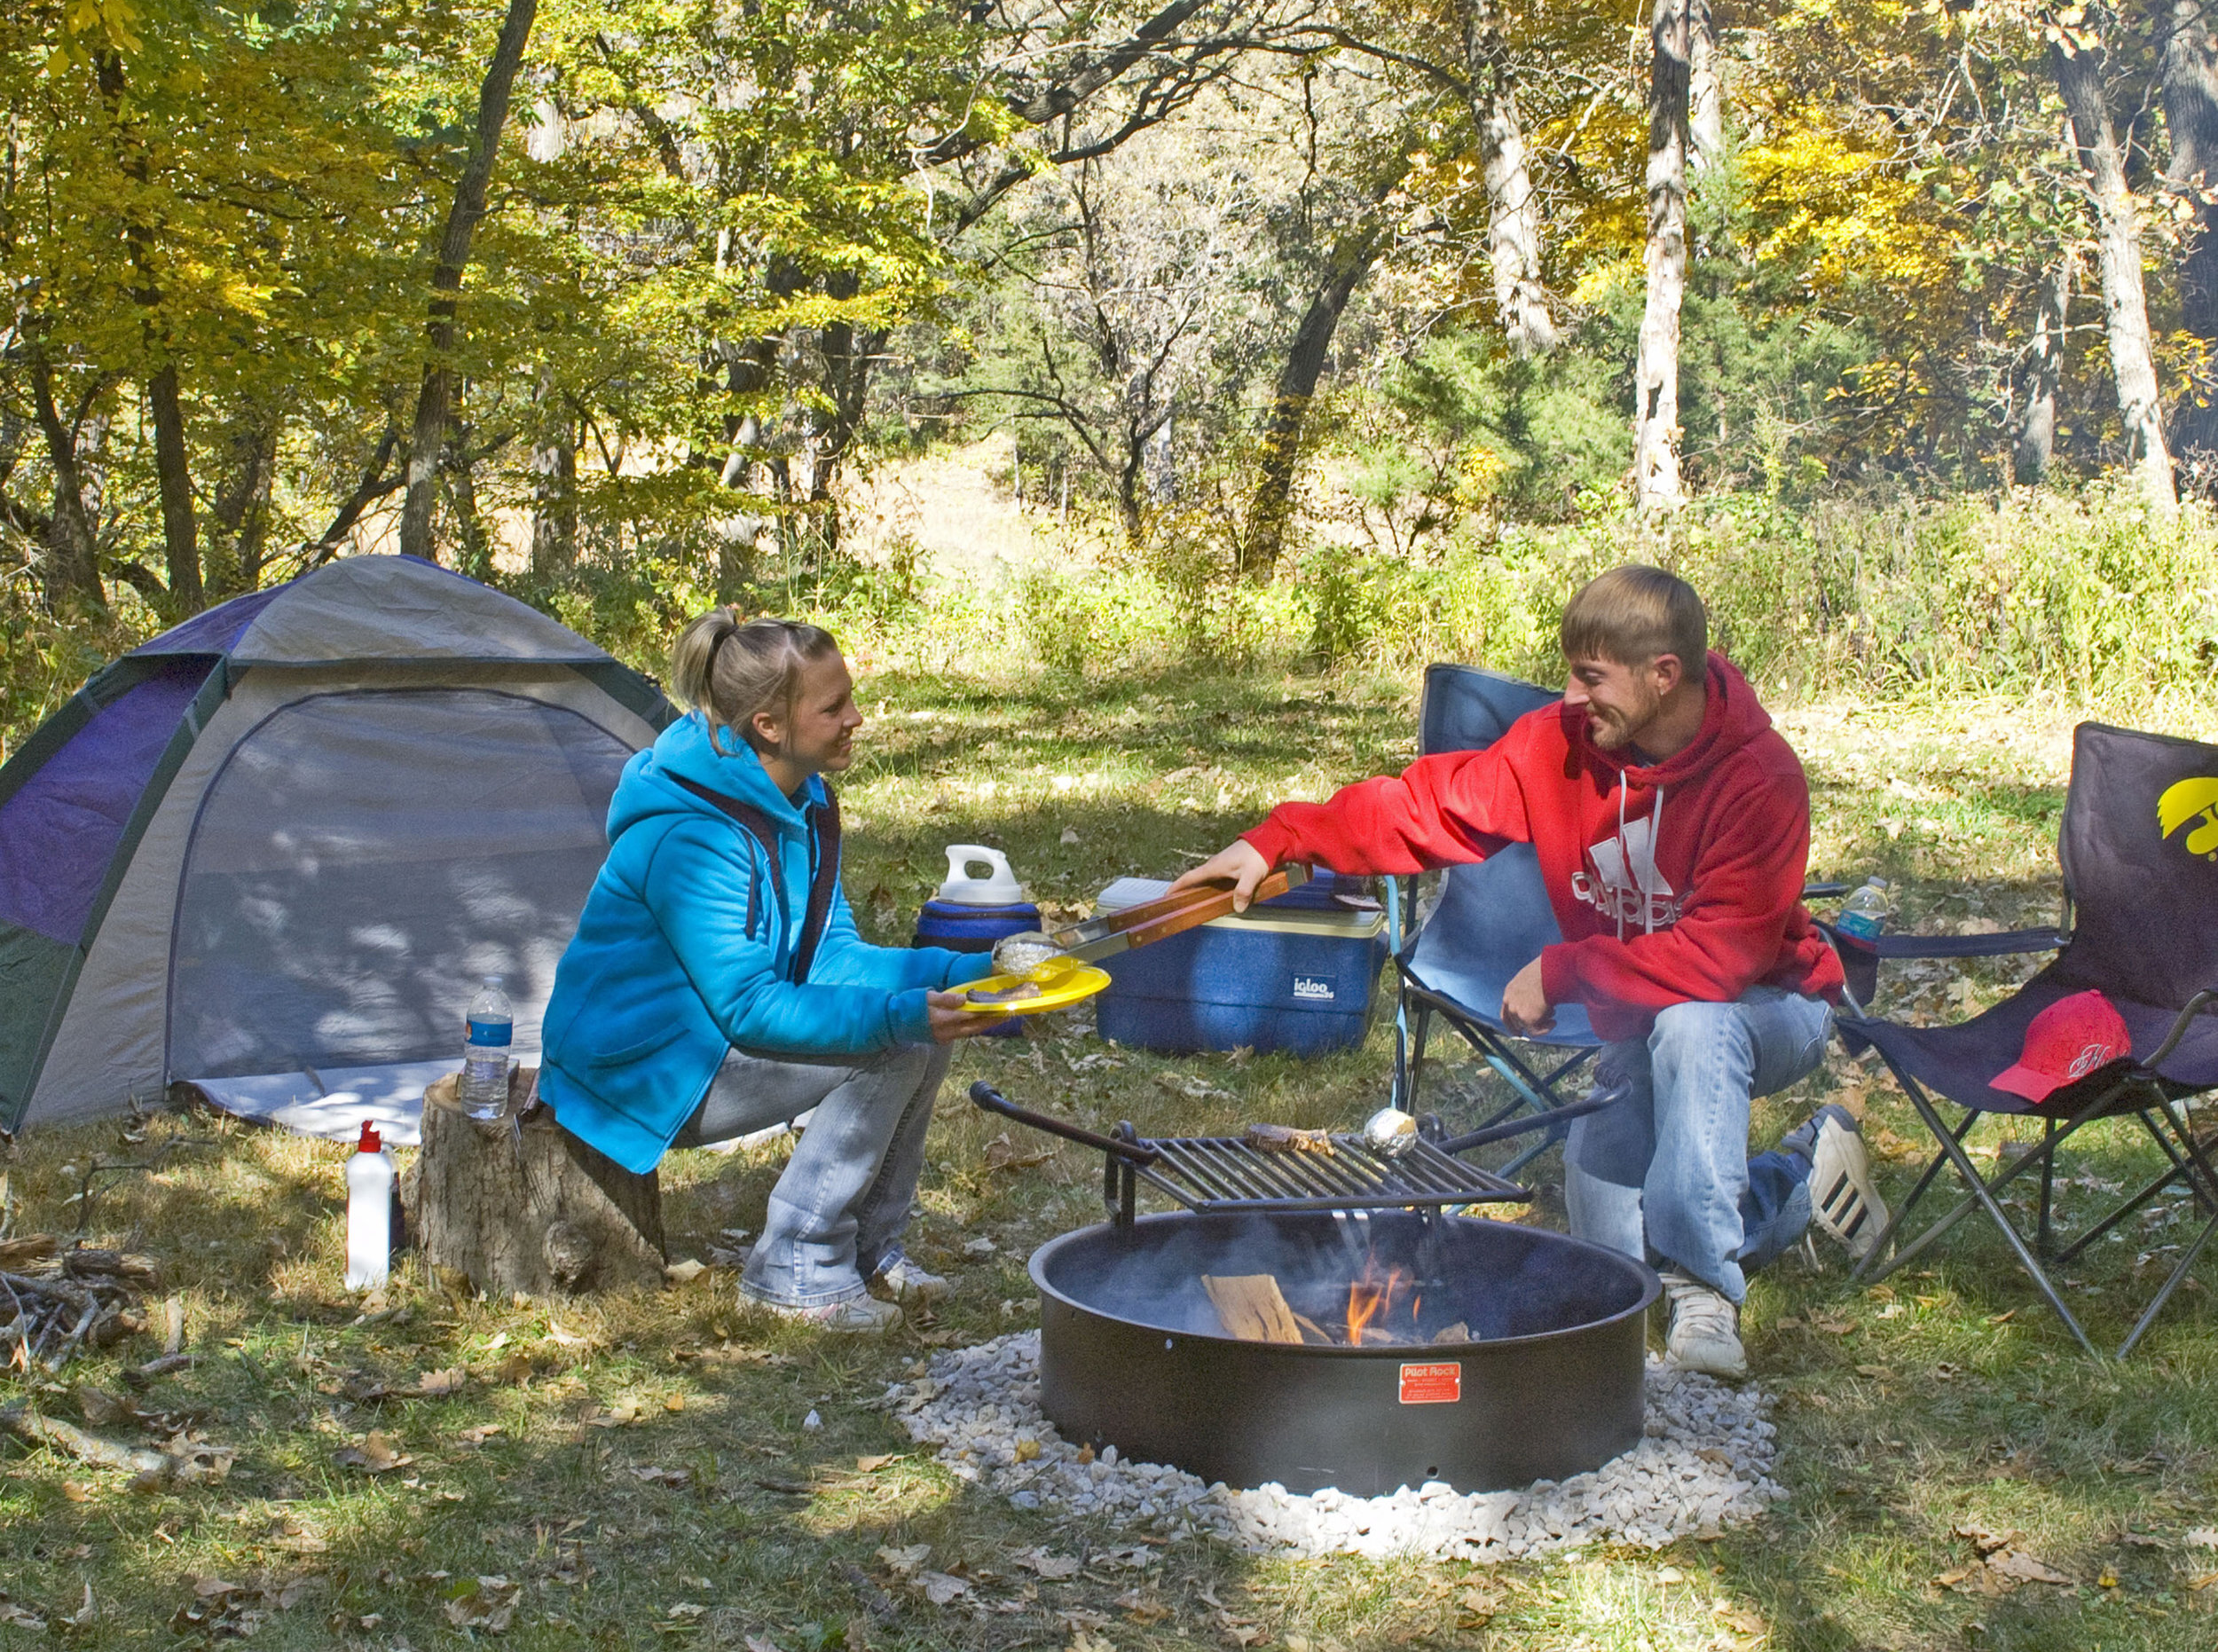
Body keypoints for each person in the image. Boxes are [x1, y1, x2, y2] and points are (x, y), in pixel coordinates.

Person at [1174, 566, 1888, 1379]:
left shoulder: (1760, 778)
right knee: (1616, 1274)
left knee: (1697, 1026)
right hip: (1636, 1018)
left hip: (1769, 1004)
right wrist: (1283, 837)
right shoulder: (1563, 744)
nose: (1573, 696)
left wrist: (1564, 971)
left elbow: (1717, 963)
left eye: (1592, 677)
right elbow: (1427, 806)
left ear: (1663, 675)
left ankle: (1707, 1292)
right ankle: (1801, 1179)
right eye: (1571, 673)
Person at [539, 611, 1006, 1333]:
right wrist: (900, 1016)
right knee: (893, 1040)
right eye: (833, 707)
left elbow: (831, 954)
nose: (855, 718)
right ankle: (795, 1273)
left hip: (705, 1042)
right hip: (640, 1068)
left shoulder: (804, 800)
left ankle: (869, 1251)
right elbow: (749, 1007)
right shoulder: (691, 836)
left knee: (921, 1026)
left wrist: (977, 972)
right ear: (769, 725)